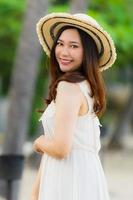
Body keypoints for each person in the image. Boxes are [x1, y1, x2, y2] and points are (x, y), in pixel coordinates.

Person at [30, 13, 116, 200]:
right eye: (60, 44)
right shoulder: (86, 88)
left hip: (69, 179)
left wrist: (39, 142)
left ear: (88, 52)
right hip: (82, 177)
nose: (64, 52)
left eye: (74, 46)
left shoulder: (69, 87)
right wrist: (35, 193)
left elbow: (60, 149)